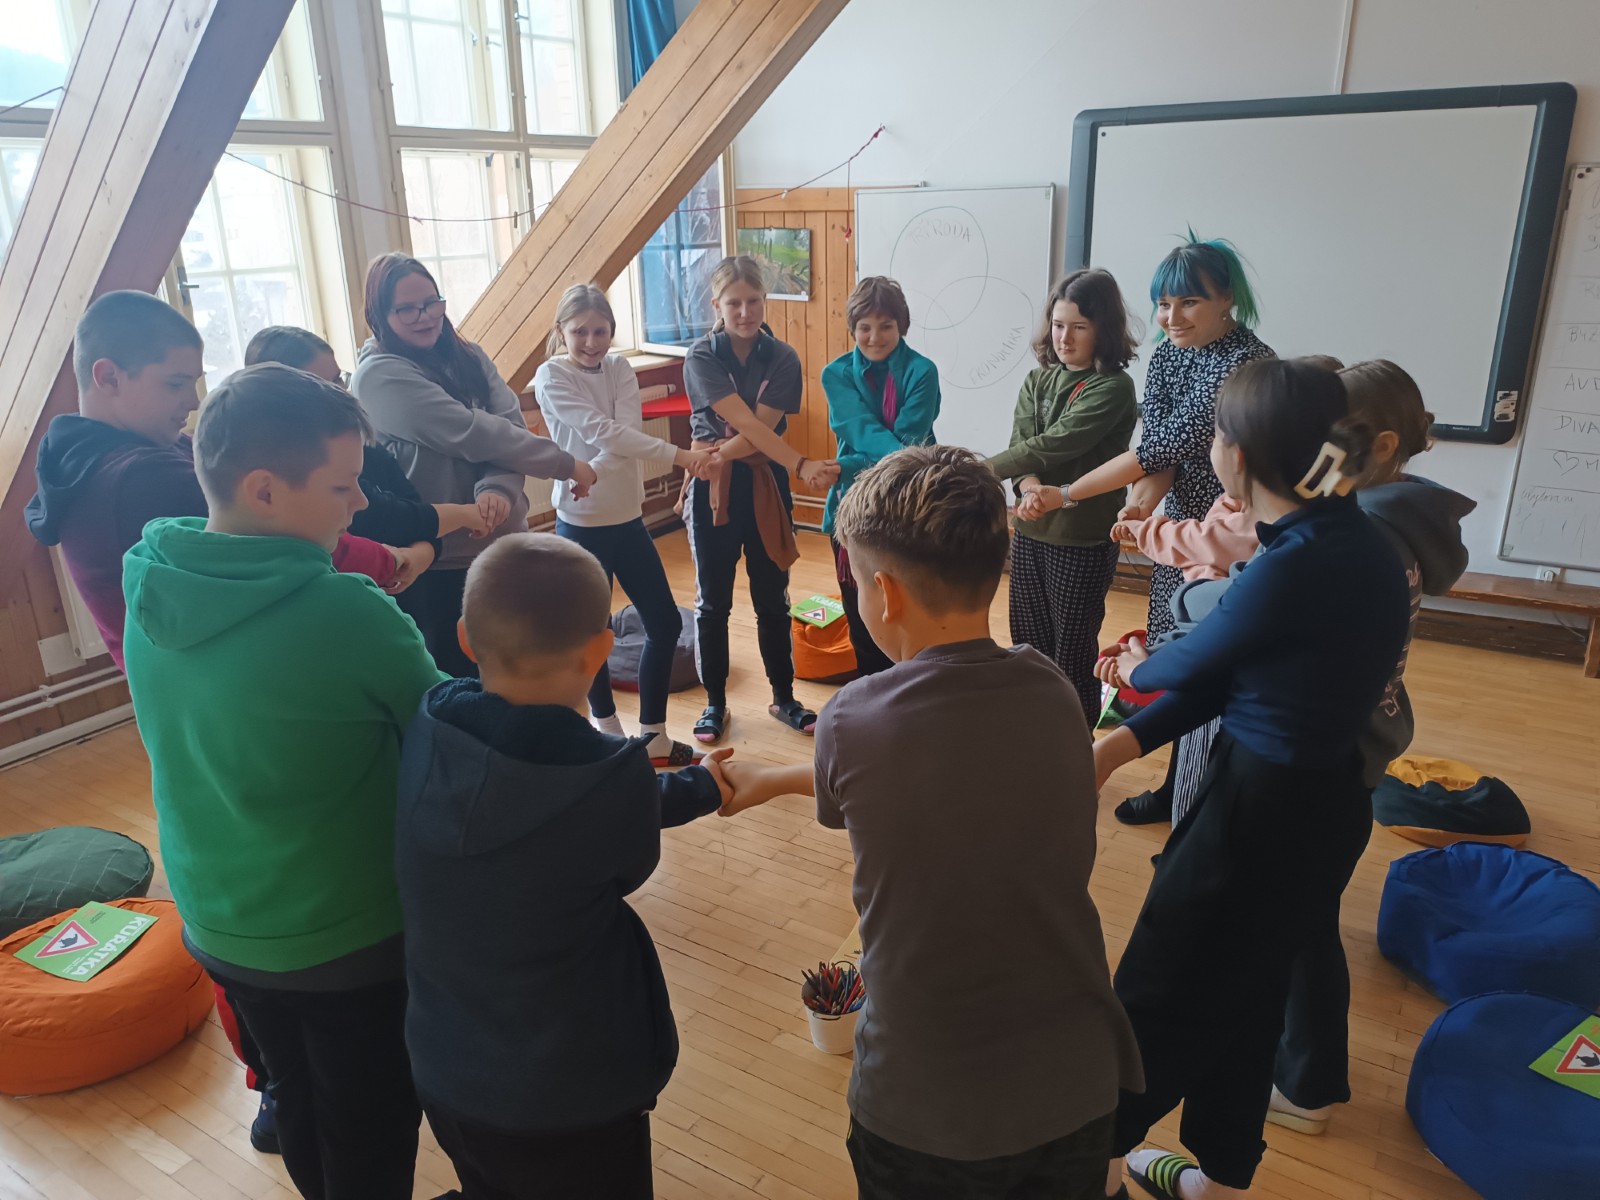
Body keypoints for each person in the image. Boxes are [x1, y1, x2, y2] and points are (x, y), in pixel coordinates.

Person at [718, 445, 1143, 1200]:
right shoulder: (1050, 687)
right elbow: (939, 773)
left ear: (883, 592)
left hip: (926, 1109)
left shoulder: (851, 717)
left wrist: (771, 778)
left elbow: (870, 776)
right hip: (1077, 1085)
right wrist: (777, 779)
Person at [121, 365, 446, 1199]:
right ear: (265, 490)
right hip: (341, 936)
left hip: (218, 920)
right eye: (342, 485)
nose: (361, 503)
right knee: (373, 1118)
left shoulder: (151, 577)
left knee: (295, 1095)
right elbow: (447, 734)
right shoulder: (347, 611)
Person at [1091, 360, 1411, 1200]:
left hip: (1259, 813)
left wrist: (1135, 666)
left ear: (1238, 456)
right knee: (1252, 991)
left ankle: (1098, 1164)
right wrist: (1118, 748)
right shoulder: (1355, 541)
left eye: (1217, 436)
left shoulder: (1290, 564)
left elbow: (1185, 666)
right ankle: (1221, 1177)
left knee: (1156, 989)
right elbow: (1242, 678)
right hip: (1325, 801)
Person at [394, 533, 734, 1200]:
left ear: (465, 639)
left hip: (446, 1067)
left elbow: (576, 805)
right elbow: (621, 837)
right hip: (573, 1091)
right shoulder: (611, 777)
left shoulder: (431, 725)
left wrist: (691, 789)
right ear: (603, 651)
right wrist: (707, 784)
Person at [1267, 359, 1474, 1137]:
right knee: (1301, 916)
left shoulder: (1371, 534)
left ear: (1381, 447)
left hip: (1329, 756)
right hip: (1355, 745)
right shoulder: (1398, 520)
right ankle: (1297, 1064)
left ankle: (1307, 1087)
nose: (1311, 459)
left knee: (1302, 925)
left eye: (1329, 442)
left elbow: (1288, 625)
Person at [1029, 236, 1275, 826]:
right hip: (1176, 530)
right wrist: (1141, 509)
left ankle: (1201, 796)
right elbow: (1160, 459)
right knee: (1174, 651)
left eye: (1189, 302)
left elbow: (1157, 448)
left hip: (1230, 535)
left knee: (1213, 668)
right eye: (1164, 304)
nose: (1172, 317)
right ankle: (1175, 786)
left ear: (1227, 300)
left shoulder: (1245, 364)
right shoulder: (1167, 355)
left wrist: (1067, 493)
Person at [24, 292, 408, 669]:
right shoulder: (139, 478)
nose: (193, 401)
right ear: (109, 377)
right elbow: (283, 543)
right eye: (175, 384)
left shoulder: (118, 447)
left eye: (195, 383)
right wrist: (395, 559)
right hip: (216, 668)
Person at [351, 253, 597, 677]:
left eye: (431, 302)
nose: (425, 316)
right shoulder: (378, 376)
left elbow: (508, 433)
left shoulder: (470, 356)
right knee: (462, 683)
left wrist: (496, 491)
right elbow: (472, 434)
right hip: (442, 560)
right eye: (407, 309)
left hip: (505, 544)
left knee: (525, 676)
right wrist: (565, 463)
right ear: (379, 316)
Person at [533, 284, 717, 765]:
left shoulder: (618, 368)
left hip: (628, 520)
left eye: (601, 331)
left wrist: (591, 470)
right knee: (591, 636)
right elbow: (601, 430)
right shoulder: (551, 375)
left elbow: (624, 436)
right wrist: (681, 456)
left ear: (612, 331)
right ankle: (608, 730)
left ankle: (653, 735)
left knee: (664, 623)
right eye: (580, 332)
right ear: (561, 331)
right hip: (580, 526)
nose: (591, 342)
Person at [679, 254, 840, 744]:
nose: (745, 312)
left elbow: (758, 431)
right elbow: (744, 421)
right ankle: (715, 702)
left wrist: (713, 454)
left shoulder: (783, 357)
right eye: (734, 303)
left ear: (765, 302)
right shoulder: (701, 356)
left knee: (773, 598)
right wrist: (801, 463)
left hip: (763, 483)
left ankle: (784, 698)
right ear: (717, 306)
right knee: (713, 603)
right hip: (713, 491)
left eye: (753, 301)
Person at [990, 268, 1138, 722]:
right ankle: (1035, 734)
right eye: (1057, 325)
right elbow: (1023, 444)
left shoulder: (1113, 387)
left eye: (1079, 327)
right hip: (1031, 531)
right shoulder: (1037, 381)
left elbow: (1055, 443)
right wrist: (1030, 488)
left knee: (1072, 652)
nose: (1064, 338)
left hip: (1082, 539)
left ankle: (1076, 746)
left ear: (1103, 330)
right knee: (1027, 646)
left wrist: (980, 469)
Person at [246, 325, 492, 587]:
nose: (341, 392)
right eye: (324, 387)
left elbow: (417, 516)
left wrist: (418, 555)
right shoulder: (295, 470)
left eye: (339, 379)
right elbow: (383, 518)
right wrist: (463, 514)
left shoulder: (366, 447)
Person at [819, 276, 941, 676]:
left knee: (913, 611)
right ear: (852, 328)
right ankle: (873, 695)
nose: (874, 337)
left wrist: (848, 466)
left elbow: (910, 438)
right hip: (855, 507)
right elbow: (860, 430)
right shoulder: (836, 373)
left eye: (886, 326)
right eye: (865, 327)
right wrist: (895, 460)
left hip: (911, 505)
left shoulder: (922, 371)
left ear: (901, 325)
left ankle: (912, 689)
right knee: (862, 615)